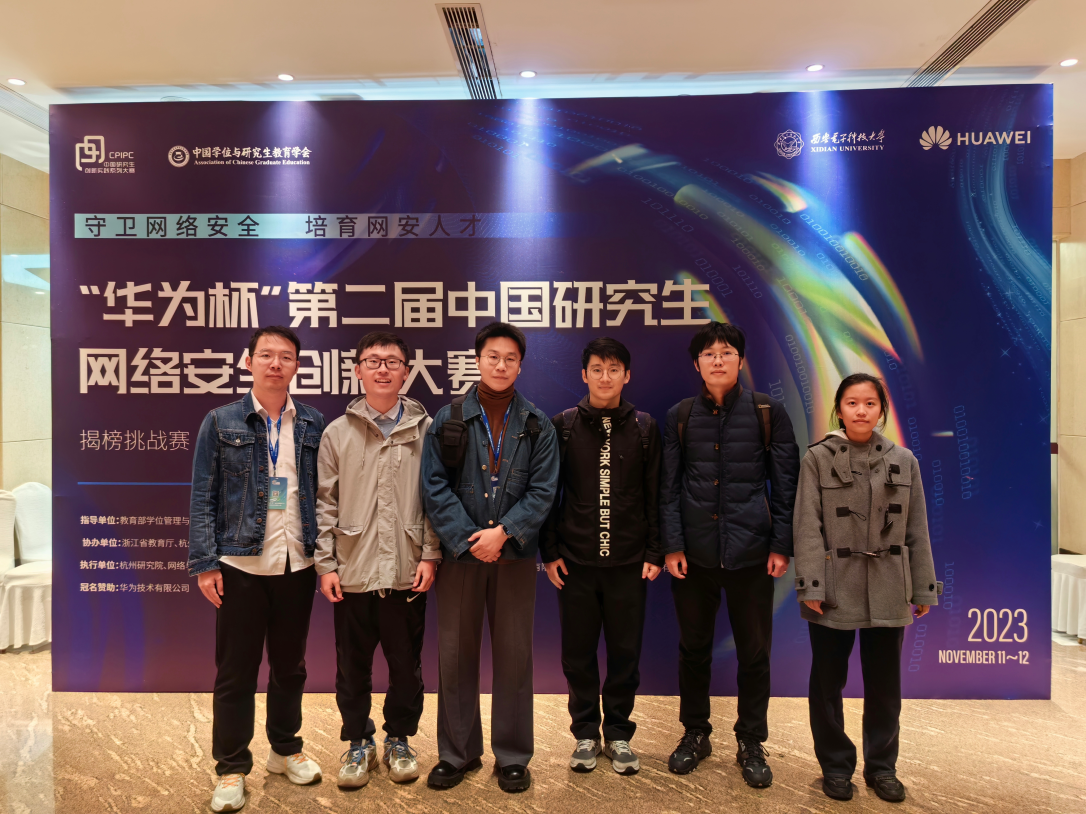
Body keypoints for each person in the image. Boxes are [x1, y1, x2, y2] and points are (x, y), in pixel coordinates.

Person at [188, 326, 327, 813]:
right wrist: (206, 563)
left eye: (285, 356)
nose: (275, 363)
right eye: (266, 355)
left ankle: (285, 749)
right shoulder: (220, 420)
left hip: (297, 563)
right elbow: (203, 494)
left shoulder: (312, 421)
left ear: (296, 366)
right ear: (248, 362)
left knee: (291, 667)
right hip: (240, 564)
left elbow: (321, 493)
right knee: (236, 671)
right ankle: (231, 767)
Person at [421, 321, 560, 793]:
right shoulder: (449, 419)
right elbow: (433, 487)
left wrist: (503, 534)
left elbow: (544, 490)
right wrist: (468, 538)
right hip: (461, 558)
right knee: (455, 656)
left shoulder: (537, 424)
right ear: (478, 360)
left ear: (520, 365)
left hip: (514, 557)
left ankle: (513, 756)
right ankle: (456, 754)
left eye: (510, 359)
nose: (501, 365)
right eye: (493, 357)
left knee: (515, 658)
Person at [660, 321, 800, 788]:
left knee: (755, 653)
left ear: (740, 360)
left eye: (726, 352)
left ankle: (751, 740)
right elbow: (668, 488)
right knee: (693, 650)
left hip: (752, 554)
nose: (717, 360)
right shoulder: (680, 415)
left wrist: (781, 545)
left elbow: (786, 486)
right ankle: (695, 733)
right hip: (695, 555)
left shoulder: (768, 412)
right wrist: (673, 545)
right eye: (709, 353)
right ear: (696, 364)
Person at [793, 373, 939, 803]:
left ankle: (882, 767)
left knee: (885, 686)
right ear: (839, 410)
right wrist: (812, 585)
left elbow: (917, 530)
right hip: (833, 587)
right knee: (827, 684)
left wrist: (923, 588)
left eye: (870, 403)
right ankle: (836, 767)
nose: (861, 411)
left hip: (890, 584)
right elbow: (807, 526)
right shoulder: (817, 458)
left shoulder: (904, 460)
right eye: (852, 403)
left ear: (881, 411)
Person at [314, 331, 440, 789]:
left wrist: (430, 554)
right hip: (353, 571)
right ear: (357, 371)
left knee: (406, 667)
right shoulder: (337, 432)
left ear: (407, 372)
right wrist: (325, 564)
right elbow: (324, 503)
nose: (383, 368)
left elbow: (436, 499)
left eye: (392, 361)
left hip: (407, 571)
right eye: (373, 361)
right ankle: (358, 742)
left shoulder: (428, 430)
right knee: (352, 668)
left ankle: (399, 739)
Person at [542, 337, 664, 776]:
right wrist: (550, 552)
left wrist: (655, 550)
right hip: (575, 563)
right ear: (584, 374)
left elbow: (656, 493)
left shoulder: (645, 427)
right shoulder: (564, 425)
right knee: (577, 655)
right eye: (597, 369)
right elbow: (548, 494)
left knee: (625, 654)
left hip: (630, 562)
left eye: (614, 369)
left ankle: (618, 734)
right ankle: (585, 735)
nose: (605, 377)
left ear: (627, 375)